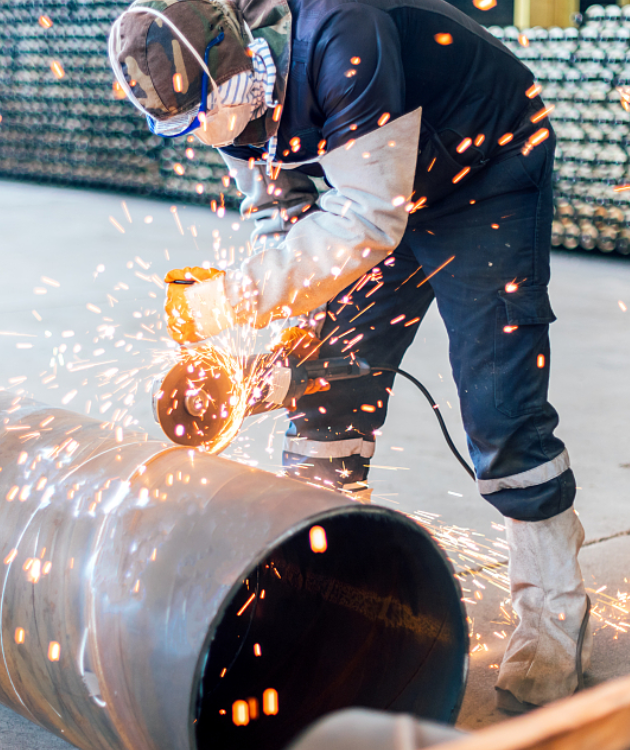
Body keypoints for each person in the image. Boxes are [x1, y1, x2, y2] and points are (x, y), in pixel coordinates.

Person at [108, 0, 591, 713]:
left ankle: (552, 612)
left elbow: (368, 220)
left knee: (497, 399)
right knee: (326, 394)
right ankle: (331, 607)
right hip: (378, 188)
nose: (203, 135)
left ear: (239, 66)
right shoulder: (225, 93)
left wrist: (233, 298)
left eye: (203, 115)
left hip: (484, 168)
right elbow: (284, 217)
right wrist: (289, 349)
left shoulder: (342, 35)